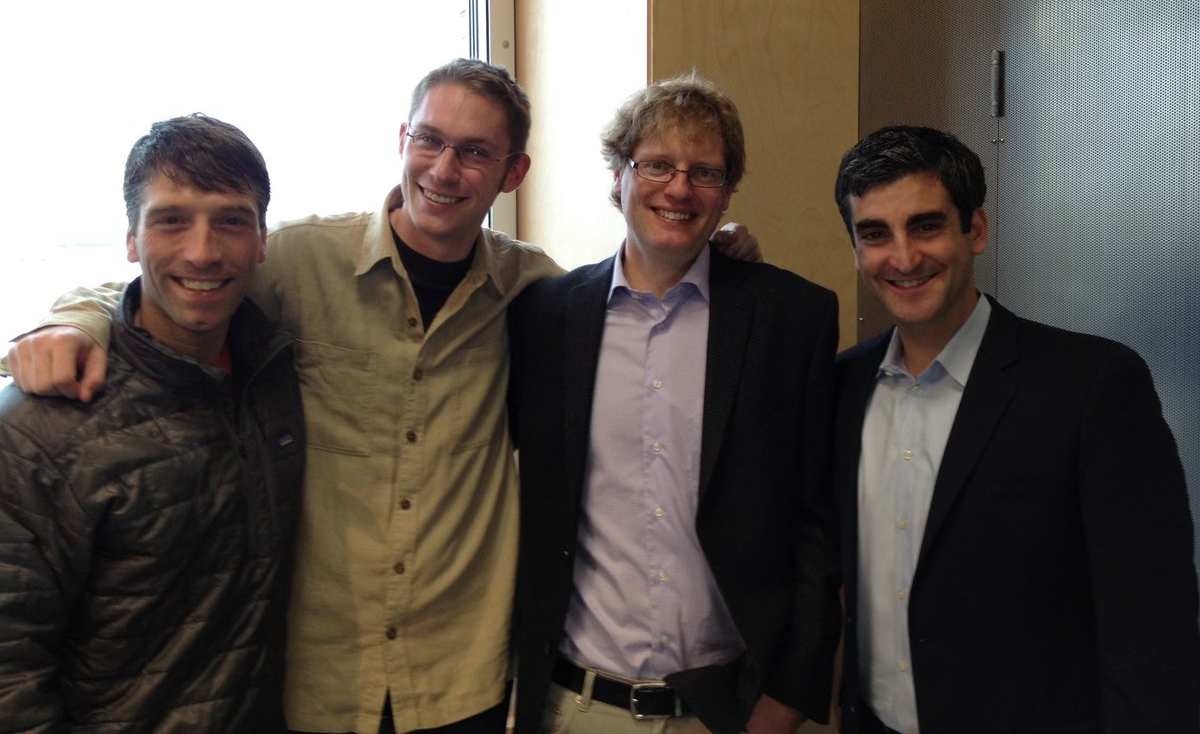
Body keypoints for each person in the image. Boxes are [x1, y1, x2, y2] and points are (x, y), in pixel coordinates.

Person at [3, 59, 761, 734]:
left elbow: (636, 297)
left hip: (460, 679)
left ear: (513, 172)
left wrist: (717, 257)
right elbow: (182, 278)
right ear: (402, 139)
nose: (445, 169)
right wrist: (72, 319)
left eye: (475, 152)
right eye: (429, 140)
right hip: (314, 681)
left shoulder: (534, 290)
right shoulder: (298, 260)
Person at [831, 125, 1200, 734]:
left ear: (975, 229)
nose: (903, 257)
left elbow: (1151, 622)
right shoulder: (842, 386)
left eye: (926, 226)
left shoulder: (1092, 386)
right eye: (874, 234)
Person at [507, 74, 841, 734]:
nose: (679, 189)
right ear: (618, 176)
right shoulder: (543, 318)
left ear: (727, 190)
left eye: (704, 172)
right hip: (575, 708)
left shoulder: (790, 319)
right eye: (657, 164)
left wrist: (790, 696)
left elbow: (817, 521)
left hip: (730, 711)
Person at [0, 114, 305, 731]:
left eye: (231, 220)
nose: (203, 251)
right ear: (132, 240)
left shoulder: (275, 375)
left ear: (261, 240)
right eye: (171, 220)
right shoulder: (41, 424)